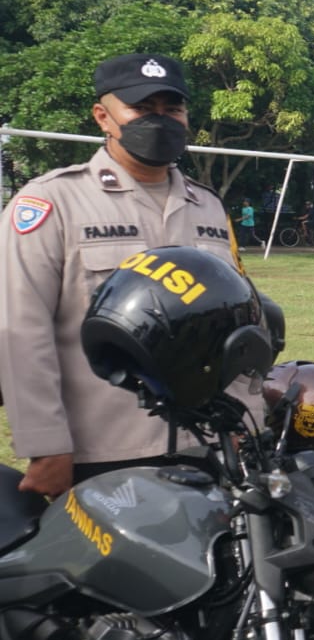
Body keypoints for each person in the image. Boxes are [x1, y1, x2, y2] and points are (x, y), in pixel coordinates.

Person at [0, 53, 246, 495]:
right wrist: (47, 446)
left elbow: (239, 319)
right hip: (104, 448)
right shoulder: (53, 202)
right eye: (141, 108)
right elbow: (20, 331)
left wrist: (245, 416)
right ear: (104, 117)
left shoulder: (207, 205)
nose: (160, 120)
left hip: (205, 441)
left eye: (172, 109)